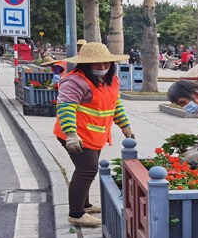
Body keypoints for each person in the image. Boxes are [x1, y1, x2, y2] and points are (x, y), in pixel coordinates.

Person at [53, 43, 136, 227]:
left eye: (106, 63)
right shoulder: (75, 80)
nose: (102, 68)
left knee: (87, 170)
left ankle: (85, 205)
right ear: (85, 64)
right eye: (96, 64)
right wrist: (71, 134)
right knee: (87, 170)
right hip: (76, 134)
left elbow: (116, 106)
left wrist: (125, 127)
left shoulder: (112, 80)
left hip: (95, 135)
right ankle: (76, 213)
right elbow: (65, 107)